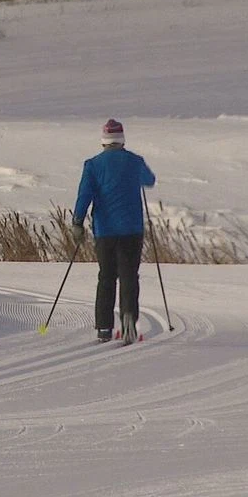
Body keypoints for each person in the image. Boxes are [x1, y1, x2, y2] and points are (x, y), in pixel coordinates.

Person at [72, 119, 156, 344]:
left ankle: (104, 328)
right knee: (129, 276)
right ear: (121, 139)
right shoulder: (135, 161)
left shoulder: (93, 165)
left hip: (105, 230)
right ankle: (129, 317)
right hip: (132, 229)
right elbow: (150, 181)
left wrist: (77, 222)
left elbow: (84, 196)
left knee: (106, 277)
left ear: (103, 140)